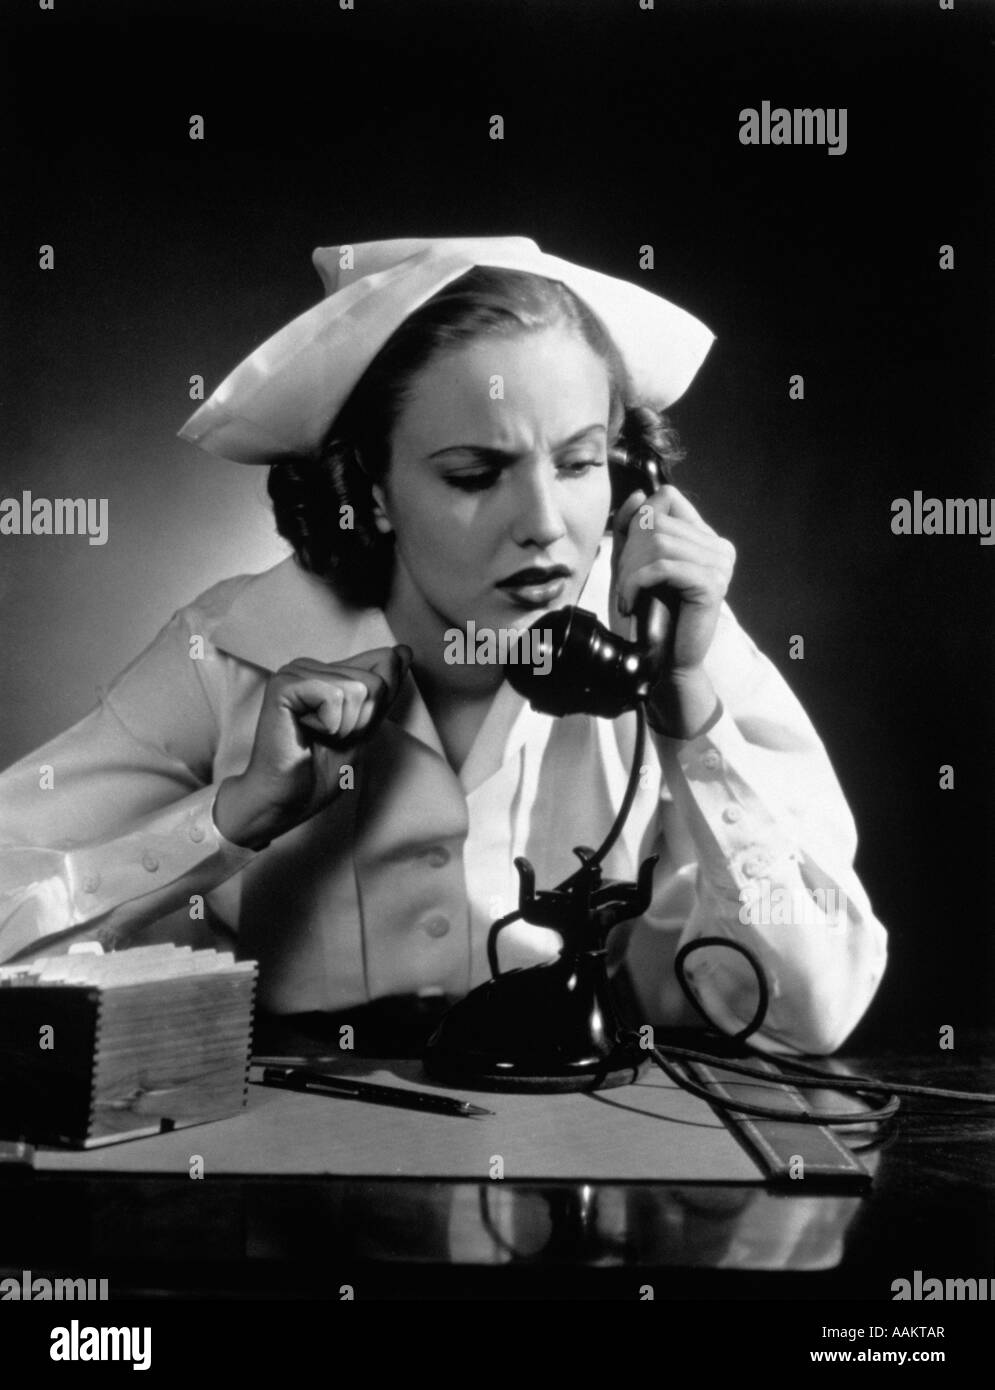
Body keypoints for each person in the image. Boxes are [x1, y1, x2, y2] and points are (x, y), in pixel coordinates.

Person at [0, 236, 886, 1055]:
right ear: (371, 486)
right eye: (475, 474)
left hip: (593, 1185)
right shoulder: (227, 651)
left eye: (579, 464)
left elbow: (812, 1013)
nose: (544, 527)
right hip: (298, 1182)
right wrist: (233, 819)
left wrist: (688, 711)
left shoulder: (671, 640)